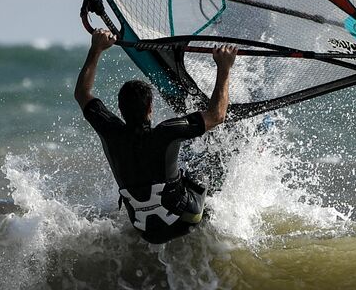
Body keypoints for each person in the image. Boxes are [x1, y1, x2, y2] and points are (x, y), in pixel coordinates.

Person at [73, 29, 236, 244]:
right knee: (209, 164)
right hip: (186, 219)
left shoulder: (110, 131)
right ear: (150, 107)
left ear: (120, 110)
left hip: (144, 230)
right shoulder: (167, 132)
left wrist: (96, 49)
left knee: (178, 162)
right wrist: (224, 68)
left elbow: (82, 93)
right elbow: (217, 115)